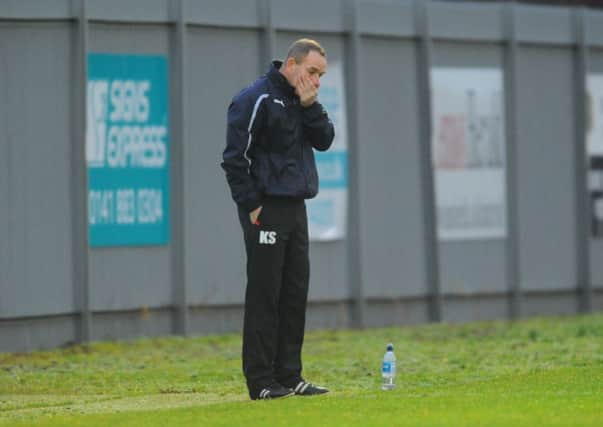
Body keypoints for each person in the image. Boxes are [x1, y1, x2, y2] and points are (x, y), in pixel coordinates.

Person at [221, 38, 334, 400]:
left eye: (321, 75)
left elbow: (325, 140)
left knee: (293, 292)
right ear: (291, 65)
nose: (316, 80)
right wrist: (252, 203)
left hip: (296, 207)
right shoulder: (256, 98)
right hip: (265, 208)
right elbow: (234, 158)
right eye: (312, 72)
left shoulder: (306, 102)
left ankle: (290, 375)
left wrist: (309, 106)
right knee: (265, 294)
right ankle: (261, 381)